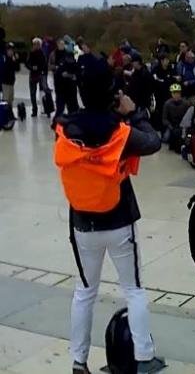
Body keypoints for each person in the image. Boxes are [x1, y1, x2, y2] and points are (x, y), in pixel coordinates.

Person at [53, 55, 166, 373]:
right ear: (112, 92)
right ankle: (144, 358)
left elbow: (83, 123)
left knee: (84, 292)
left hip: (82, 223)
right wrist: (134, 113)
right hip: (118, 220)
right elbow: (153, 143)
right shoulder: (121, 132)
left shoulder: (63, 127)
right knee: (133, 288)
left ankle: (79, 361)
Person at [25, 37, 51, 116]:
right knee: (33, 93)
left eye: (38, 44)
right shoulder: (31, 53)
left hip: (40, 75)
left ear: (40, 45)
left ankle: (46, 109)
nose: (36, 46)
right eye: (35, 44)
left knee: (43, 93)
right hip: (33, 75)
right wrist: (32, 67)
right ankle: (34, 110)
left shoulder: (42, 54)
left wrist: (39, 69)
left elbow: (44, 65)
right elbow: (27, 63)